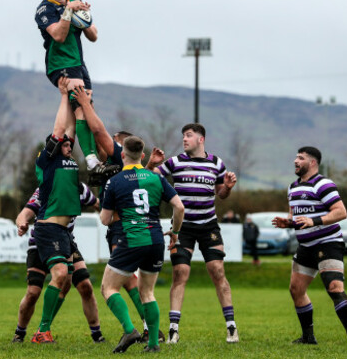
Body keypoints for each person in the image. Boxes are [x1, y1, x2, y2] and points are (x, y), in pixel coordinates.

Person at [73, 86, 165, 344]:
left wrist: (84, 104)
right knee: (131, 282)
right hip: (129, 229)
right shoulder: (117, 167)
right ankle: (148, 329)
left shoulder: (116, 156)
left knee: (122, 282)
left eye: (115, 141)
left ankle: (140, 328)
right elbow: (137, 182)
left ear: (121, 148)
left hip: (124, 229)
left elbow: (98, 131)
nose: (108, 143)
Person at [148, 123, 239, 344]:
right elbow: (149, 177)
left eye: (188, 135)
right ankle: (173, 330)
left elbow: (221, 194)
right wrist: (151, 163)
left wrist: (227, 187)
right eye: (183, 136)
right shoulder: (175, 162)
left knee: (217, 270)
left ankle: (231, 327)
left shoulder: (216, 163)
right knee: (180, 273)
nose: (184, 139)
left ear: (201, 139)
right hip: (183, 227)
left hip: (209, 226)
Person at [100, 136, 185, 353]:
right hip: (155, 239)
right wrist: (175, 232)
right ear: (143, 156)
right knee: (147, 292)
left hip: (131, 239)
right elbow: (179, 207)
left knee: (108, 288)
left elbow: (104, 219)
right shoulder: (156, 178)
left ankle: (130, 330)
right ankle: (154, 344)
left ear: (122, 155)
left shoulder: (115, 181)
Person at [272, 146, 347, 347]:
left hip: (328, 243)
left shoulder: (323, 184)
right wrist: (288, 222)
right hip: (305, 246)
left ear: (312, 163)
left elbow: (341, 212)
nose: (295, 161)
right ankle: (308, 337)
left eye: (300, 158)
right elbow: (294, 215)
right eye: (295, 157)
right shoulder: (292, 187)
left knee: (334, 287)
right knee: (296, 289)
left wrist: (315, 220)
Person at [13, 183, 105, 343]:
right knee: (33, 293)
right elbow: (25, 213)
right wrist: (22, 223)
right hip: (41, 242)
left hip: (66, 241)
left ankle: (96, 335)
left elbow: (98, 205)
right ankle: (20, 333)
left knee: (85, 286)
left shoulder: (80, 189)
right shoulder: (46, 188)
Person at [29, 77, 81, 344]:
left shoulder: (68, 158)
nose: (69, 145)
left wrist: (76, 102)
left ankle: (44, 328)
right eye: (64, 144)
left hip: (63, 231)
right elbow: (60, 129)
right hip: (48, 226)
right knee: (59, 274)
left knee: (68, 280)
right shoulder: (48, 160)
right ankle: (41, 331)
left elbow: (69, 128)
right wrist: (63, 95)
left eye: (70, 144)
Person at [35, 0, 102, 172]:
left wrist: (85, 17)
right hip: (61, 63)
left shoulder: (74, 0)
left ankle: (65, 160)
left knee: (82, 112)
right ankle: (91, 160)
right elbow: (58, 36)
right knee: (81, 106)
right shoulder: (44, 10)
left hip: (79, 64)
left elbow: (93, 36)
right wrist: (68, 11)